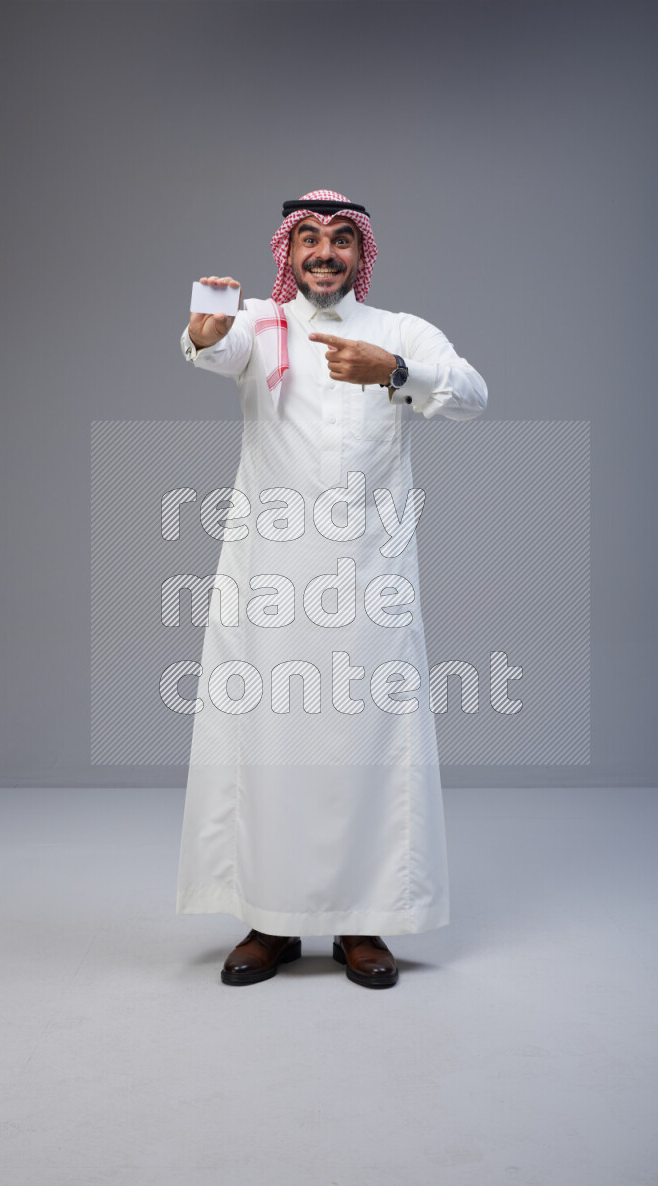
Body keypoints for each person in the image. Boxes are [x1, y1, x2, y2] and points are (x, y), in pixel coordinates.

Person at [176, 189, 487, 989]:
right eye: (308, 237)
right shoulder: (261, 321)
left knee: (366, 746)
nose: (323, 251)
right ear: (287, 251)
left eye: (340, 239)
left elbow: (474, 396)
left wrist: (397, 374)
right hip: (271, 583)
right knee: (269, 743)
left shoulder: (399, 333)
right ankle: (269, 923)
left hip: (368, 582)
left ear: (361, 254)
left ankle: (360, 925)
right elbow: (216, 347)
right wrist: (202, 334)